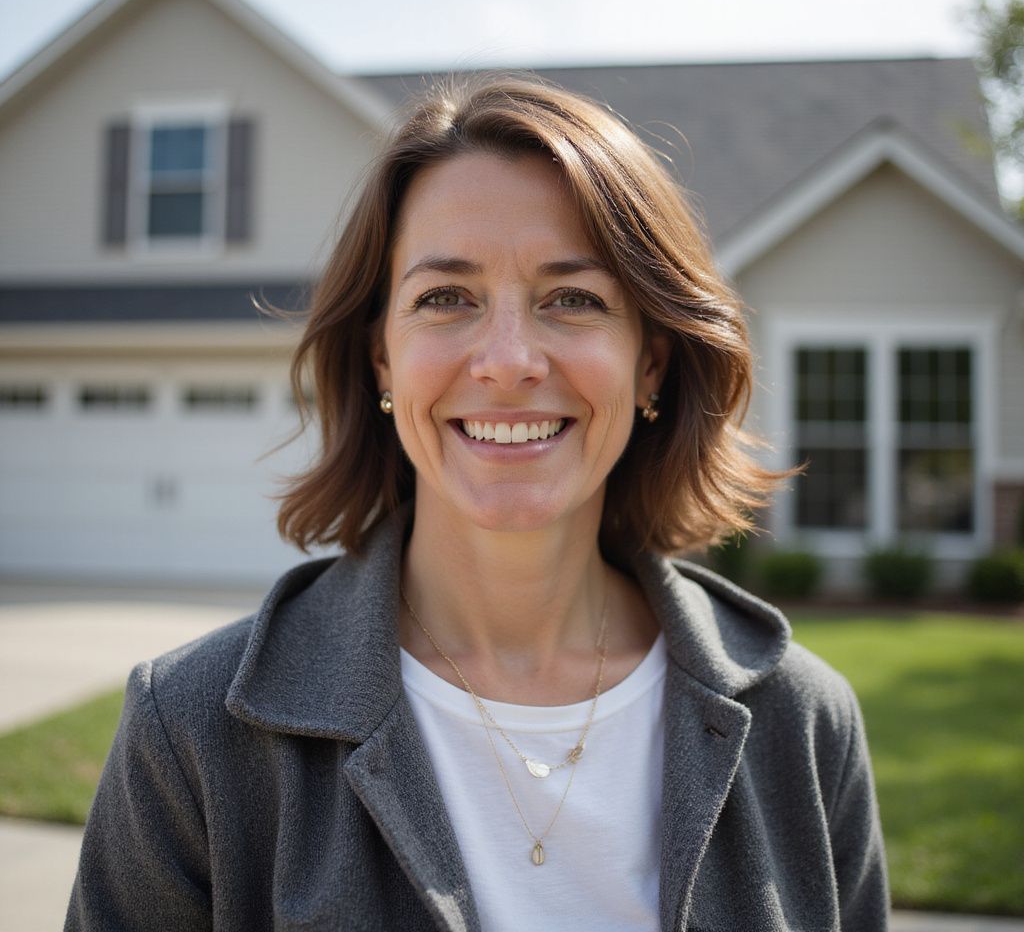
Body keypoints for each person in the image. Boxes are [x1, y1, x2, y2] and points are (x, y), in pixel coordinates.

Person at [66, 76, 889, 931]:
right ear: (381, 359)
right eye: (445, 298)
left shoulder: (801, 720)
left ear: (651, 363)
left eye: (573, 298)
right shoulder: (190, 733)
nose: (507, 361)